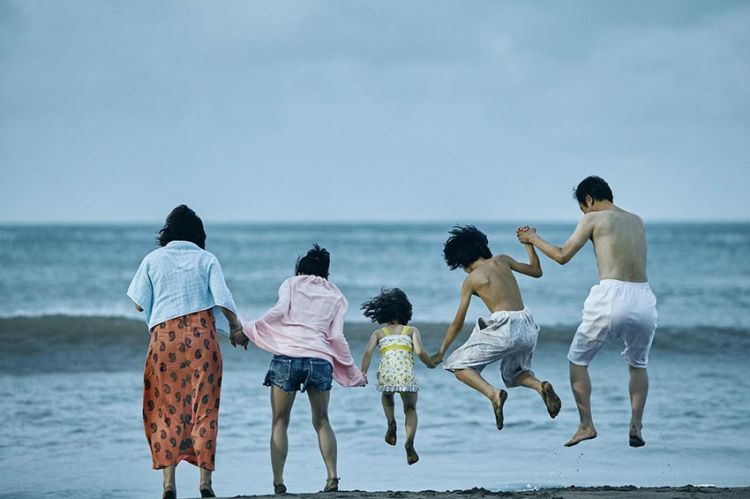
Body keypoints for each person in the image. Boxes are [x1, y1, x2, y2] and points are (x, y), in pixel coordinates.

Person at [517, 175, 657, 448]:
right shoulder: (637, 220)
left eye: (582, 207)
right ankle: (636, 425)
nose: (583, 212)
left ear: (589, 200)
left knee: (578, 360)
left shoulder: (593, 218)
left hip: (611, 296)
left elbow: (561, 255)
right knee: (638, 365)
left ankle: (586, 425)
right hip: (644, 298)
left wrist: (532, 238)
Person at [127, 205, 243, 499]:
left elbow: (139, 303)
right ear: (198, 234)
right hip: (202, 340)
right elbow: (223, 297)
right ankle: (205, 481)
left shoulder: (153, 259)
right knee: (205, 409)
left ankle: (169, 484)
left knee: (167, 410)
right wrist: (236, 327)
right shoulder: (206, 259)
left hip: (164, 342)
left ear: (168, 232)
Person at [231, 244, 366, 495]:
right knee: (322, 420)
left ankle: (279, 483)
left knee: (280, 422)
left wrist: (249, 329)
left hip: (287, 358)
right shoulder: (336, 296)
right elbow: (337, 336)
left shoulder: (291, 284)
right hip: (320, 360)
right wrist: (352, 371)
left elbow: (279, 312)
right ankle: (332, 478)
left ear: (300, 269)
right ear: (325, 272)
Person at [431, 225, 561, 430]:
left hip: (505, 328)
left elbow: (457, 322)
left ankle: (493, 394)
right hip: (527, 324)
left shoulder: (471, 279)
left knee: (456, 365)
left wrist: (440, 351)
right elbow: (536, 271)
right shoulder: (502, 259)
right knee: (515, 373)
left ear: (461, 260)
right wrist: (528, 245)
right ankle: (540, 386)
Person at [359, 288, 435, 465]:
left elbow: (368, 353)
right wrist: (430, 363)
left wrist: (362, 373)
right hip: (405, 376)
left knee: (387, 397)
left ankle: (391, 422)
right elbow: (420, 352)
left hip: (387, 375)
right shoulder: (410, 331)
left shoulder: (378, 333)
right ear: (406, 311)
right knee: (410, 409)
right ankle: (409, 442)